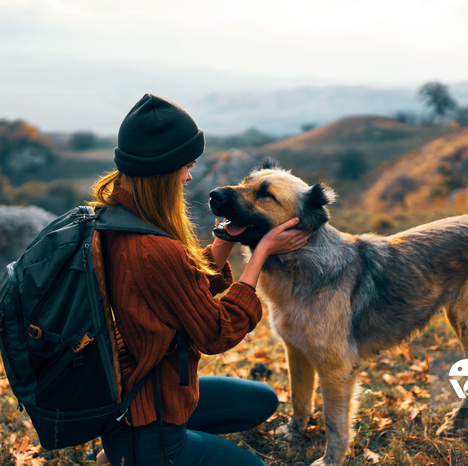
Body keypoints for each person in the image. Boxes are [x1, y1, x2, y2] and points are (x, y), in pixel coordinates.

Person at [90, 94, 311, 466]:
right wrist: (260, 253)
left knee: (262, 401)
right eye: (186, 166)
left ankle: (126, 450)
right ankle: (140, 457)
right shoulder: (151, 248)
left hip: (143, 390)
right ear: (162, 170)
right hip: (151, 422)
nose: (190, 176)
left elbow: (177, 288)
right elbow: (216, 333)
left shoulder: (117, 217)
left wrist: (224, 238)